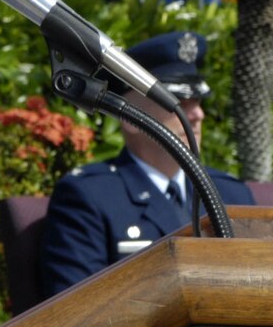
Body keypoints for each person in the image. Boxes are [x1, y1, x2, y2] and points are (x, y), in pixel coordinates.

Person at [36, 31, 256, 303]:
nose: (197, 114)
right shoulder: (91, 198)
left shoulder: (231, 193)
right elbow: (78, 310)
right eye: (178, 102)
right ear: (130, 118)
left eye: (197, 101)